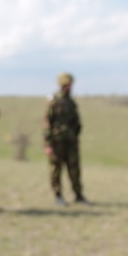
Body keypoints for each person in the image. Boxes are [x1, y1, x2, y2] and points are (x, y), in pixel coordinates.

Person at [43, 72, 86, 206]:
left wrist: (75, 135)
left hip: (71, 142)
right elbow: (47, 123)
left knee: (74, 169)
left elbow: (77, 122)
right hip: (57, 142)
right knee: (56, 170)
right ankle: (58, 196)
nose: (70, 86)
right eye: (68, 84)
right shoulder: (54, 102)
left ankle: (78, 195)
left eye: (71, 84)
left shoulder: (71, 102)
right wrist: (48, 144)